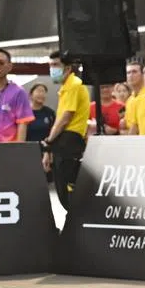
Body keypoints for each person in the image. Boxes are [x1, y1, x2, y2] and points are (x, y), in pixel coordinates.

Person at [40, 52, 91, 209]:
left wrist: (49, 140)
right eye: (50, 65)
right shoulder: (65, 88)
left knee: (68, 186)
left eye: (55, 65)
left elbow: (65, 118)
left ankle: (73, 219)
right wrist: (49, 147)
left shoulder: (73, 85)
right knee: (61, 186)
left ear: (68, 68)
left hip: (70, 140)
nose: (52, 69)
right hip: (63, 141)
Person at [0, 48, 34, 143]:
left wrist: (19, 149)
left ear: (9, 66)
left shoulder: (18, 92)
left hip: (7, 147)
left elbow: (22, 123)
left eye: (1, 63)